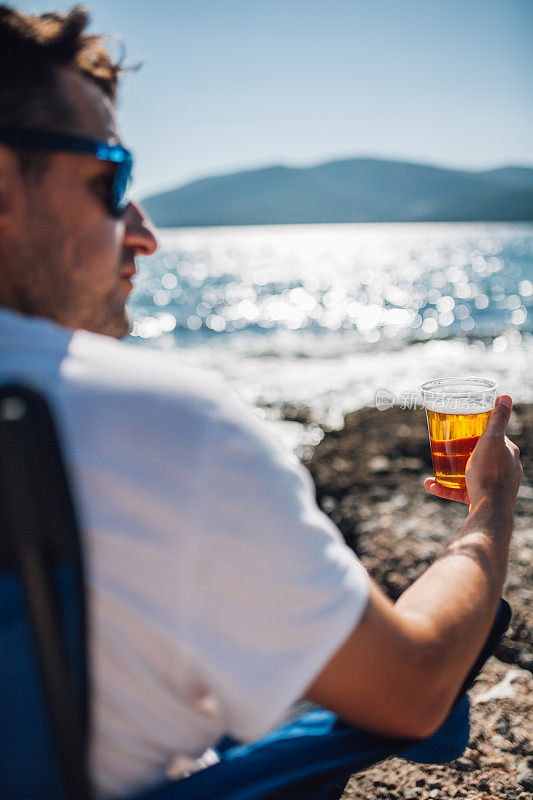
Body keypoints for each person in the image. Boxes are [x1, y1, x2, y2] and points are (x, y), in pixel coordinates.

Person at [0, 6, 523, 799]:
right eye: (113, 179)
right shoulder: (156, 424)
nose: (143, 234)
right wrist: (487, 510)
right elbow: (412, 686)